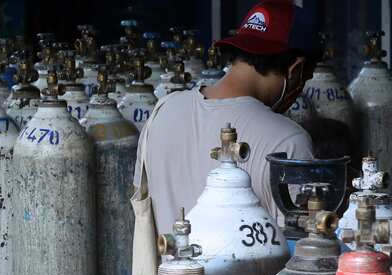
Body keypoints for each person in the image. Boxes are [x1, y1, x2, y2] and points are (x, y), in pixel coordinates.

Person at [135, 0, 319, 236]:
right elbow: (302, 250)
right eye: (305, 79)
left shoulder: (164, 110)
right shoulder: (288, 141)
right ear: (297, 70)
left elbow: (142, 215)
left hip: (170, 271)